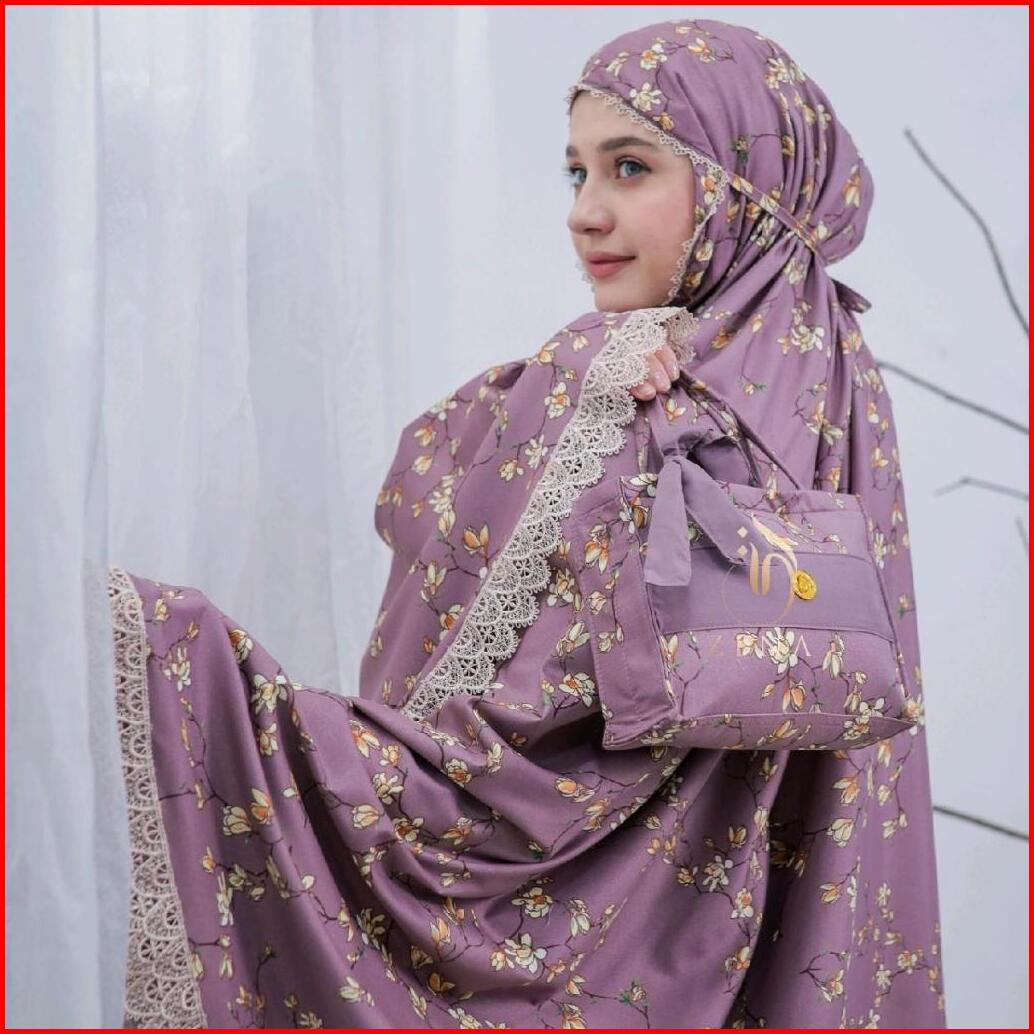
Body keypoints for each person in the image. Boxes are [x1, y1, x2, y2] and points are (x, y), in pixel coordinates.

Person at [106, 17, 946, 1027]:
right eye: (575, 173)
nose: (584, 213)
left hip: (605, 945)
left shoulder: (658, 392)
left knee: (168, 650)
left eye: (629, 167)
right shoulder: (830, 368)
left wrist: (564, 379)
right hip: (736, 939)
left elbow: (528, 722)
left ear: (740, 185)